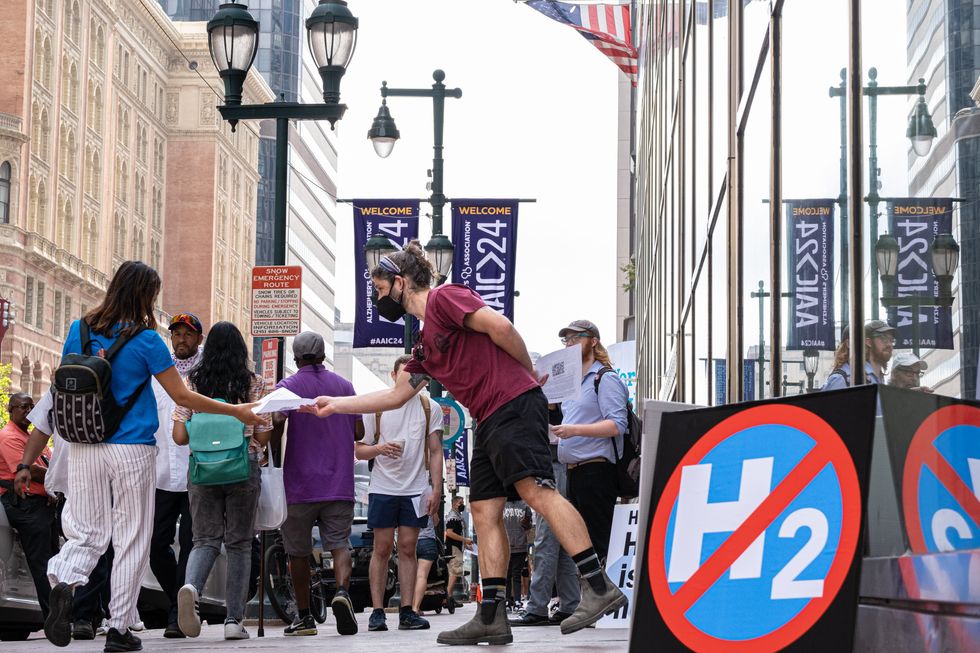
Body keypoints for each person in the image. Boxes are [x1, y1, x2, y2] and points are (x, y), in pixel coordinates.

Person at [300, 242, 627, 645]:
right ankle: (491, 614)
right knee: (483, 509)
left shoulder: (445, 298)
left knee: (536, 491)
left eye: (381, 290)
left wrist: (525, 376)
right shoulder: (422, 343)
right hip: (487, 416)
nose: (378, 300)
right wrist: (335, 405)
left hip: (511, 403)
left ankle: (596, 584)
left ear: (401, 283)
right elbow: (395, 396)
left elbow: (501, 328)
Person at [13, 261, 265, 652]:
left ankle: (63, 581)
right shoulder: (147, 340)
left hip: (83, 443)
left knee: (86, 532)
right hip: (131, 449)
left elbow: (63, 388)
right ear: (146, 295)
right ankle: (119, 629)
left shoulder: (78, 330)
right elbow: (182, 397)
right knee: (132, 538)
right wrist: (236, 411)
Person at [172, 321, 271, 641]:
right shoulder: (254, 383)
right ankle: (233, 621)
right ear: (241, 350)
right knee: (240, 544)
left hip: (201, 470)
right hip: (243, 468)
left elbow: (178, 436)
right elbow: (263, 435)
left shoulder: (191, 383)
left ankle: (191, 587)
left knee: (204, 541)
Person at [271, 331, 360, 637]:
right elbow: (358, 431)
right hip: (339, 482)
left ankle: (305, 617)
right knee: (339, 544)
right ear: (323, 355)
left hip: (300, 484)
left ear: (296, 359)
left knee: (297, 551)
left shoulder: (289, 386)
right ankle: (342, 593)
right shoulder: (345, 387)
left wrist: (275, 462)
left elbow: (275, 423)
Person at [358, 354, 443, 632]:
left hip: (415, 488)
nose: (412, 380)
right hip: (383, 486)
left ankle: (407, 610)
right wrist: (379, 449)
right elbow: (358, 449)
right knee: (381, 548)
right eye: (407, 374)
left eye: (417, 375)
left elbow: (435, 451)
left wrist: (436, 490)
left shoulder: (431, 407)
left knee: (408, 548)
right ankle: (378, 611)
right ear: (394, 376)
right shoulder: (376, 406)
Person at [552, 321, 629, 564]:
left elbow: (617, 424)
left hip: (596, 471)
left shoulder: (604, 378)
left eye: (576, 338)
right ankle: (593, 596)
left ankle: (610, 597)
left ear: (593, 341)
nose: (570, 344)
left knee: (599, 542)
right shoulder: (572, 384)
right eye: (567, 340)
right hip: (573, 473)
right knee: (581, 545)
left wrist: (573, 430)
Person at [150, 312, 204, 638]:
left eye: (188, 334)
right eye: (177, 334)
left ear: (198, 338)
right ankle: (177, 600)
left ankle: (175, 616)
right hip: (160, 472)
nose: (181, 339)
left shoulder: (206, 374)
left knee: (190, 543)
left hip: (197, 470)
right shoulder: (157, 372)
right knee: (156, 545)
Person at [0, 393, 55, 618]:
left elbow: (50, 465)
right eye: (23, 406)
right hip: (25, 504)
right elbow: (29, 471)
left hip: (43, 505)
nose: (28, 410)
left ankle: (65, 615)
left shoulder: (34, 438)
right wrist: (57, 478)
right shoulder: (8, 436)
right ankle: (55, 617)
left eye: (32, 406)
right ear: (10, 409)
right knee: (42, 563)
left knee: (53, 563)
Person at [822, 320, 895, 389]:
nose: (889, 344)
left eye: (892, 340)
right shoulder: (843, 378)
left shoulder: (878, 377)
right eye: (884, 338)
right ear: (868, 342)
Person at [502, 500, 532, 610]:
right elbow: (528, 527)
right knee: (516, 575)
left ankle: (507, 600)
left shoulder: (503, 505)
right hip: (520, 544)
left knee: (507, 575)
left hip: (506, 544)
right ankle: (517, 600)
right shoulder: (525, 506)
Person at [412, 513, 441, 615]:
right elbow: (436, 521)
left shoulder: (407, 499)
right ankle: (416, 608)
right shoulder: (429, 499)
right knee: (422, 576)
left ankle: (410, 607)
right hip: (427, 541)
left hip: (411, 541)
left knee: (411, 577)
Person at [444, 495, 471, 604]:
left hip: (457, 547)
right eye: (460, 503)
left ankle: (449, 597)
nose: (462, 505)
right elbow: (449, 533)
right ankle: (447, 597)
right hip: (454, 548)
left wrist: (465, 544)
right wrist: (464, 540)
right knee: (454, 572)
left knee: (455, 572)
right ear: (454, 504)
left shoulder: (457, 516)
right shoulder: (453, 517)